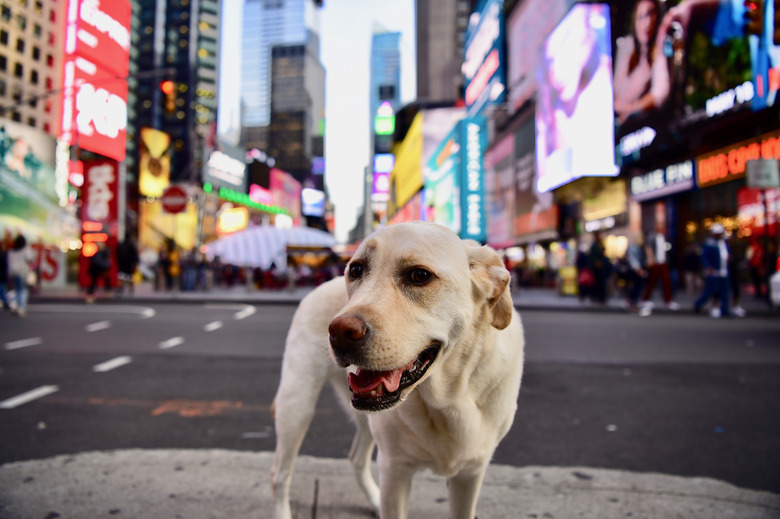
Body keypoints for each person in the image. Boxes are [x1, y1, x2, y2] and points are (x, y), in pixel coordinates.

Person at [613, 0, 671, 132]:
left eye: (651, 14)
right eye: (641, 17)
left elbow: (660, 94)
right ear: (635, 22)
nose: (647, 22)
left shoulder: (659, 49)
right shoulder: (626, 45)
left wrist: (631, 109)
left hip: (640, 128)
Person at [639, 223, 680, 314]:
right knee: (652, 282)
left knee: (666, 281)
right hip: (655, 263)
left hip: (663, 263)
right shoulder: (652, 236)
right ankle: (645, 299)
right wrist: (650, 259)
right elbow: (648, 247)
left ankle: (668, 301)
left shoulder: (664, 237)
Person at [694, 223, 731, 318]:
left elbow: (727, 254)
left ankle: (725, 310)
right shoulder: (709, 243)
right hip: (713, 272)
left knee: (724, 292)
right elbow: (704, 257)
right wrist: (708, 266)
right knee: (710, 290)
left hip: (724, 271)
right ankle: (698, 304)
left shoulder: (724, 243)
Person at [7, 234, 35, 316]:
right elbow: (30, 258)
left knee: (16, 289)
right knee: (22, 290)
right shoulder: (25, 250)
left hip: (12, 273)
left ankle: (14, 305)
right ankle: (21, 307)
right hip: (22, 272)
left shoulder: (11, 251)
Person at [624, 231, 649, 313]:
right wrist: (639, 270)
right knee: (637, 287)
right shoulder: (634, 247)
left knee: (638, 287)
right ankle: (631, 301)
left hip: (637, 270)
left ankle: (633, 302)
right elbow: (633, 260)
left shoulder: (639, 247)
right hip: (636, 270)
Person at [588, 231, 609, 304]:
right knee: (598, 283)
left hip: (599, 267)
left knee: (599, 283)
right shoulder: (595, 245)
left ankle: (600, 297)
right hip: (597, 267)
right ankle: (598, 297)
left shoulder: (598, 244)